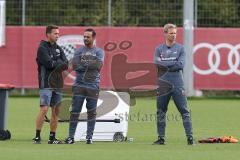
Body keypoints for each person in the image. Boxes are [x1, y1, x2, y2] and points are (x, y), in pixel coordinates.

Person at [153, 23, 194, 145]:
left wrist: (166, 64)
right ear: (165, 34)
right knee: (160, 111)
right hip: (163, 84)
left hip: (177, 84)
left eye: (175, 33)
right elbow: (157, 64)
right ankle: (161, 138)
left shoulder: (181, 48)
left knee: (184, 111)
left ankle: (190, 138)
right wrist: (173, 63)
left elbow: (181, 65)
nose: (174, 35)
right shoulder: (159, 49)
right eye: (171, 33)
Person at [64, 28, 105, 144]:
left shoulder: (99, 52)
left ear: (93, 38)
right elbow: (76, 66)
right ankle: (71, 137)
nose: (85, 39)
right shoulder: (78, 51)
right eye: (84, 37)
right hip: (79, 86)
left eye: (88, 37)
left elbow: (98, 66)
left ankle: (89, 137)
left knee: (91, 112)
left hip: (93, 86)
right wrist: (90, 63)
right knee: (75, 111)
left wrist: (85, 62)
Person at [33, 25, 68, 144]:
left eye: (58, 34)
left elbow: (66, 65)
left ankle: (52, 137)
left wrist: (57, 63)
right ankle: (37, 136)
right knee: (44, 109)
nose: (57, 36)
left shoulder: (59, 48)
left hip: (58, 83)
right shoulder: (42, 48)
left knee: (56, 111)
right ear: (48, 34)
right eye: (55, 33)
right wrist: (58, 63)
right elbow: (48, 64)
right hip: (46, 83)